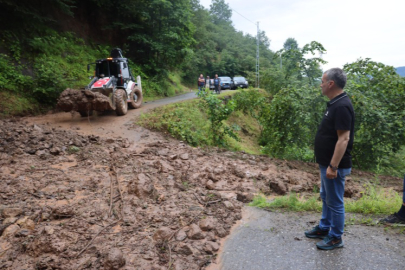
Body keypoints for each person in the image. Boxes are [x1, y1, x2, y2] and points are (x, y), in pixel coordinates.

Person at [305, 68, 355, 250]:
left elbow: (344, 139)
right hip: (327, 163)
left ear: (331, 84)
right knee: (326, 196)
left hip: (334, 166)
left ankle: (335, 238)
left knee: (334, 201)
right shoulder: (335, 103)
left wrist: (333, 166)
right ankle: (324, 228)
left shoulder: (342, 106)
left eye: (322, 81)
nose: (321, 84)